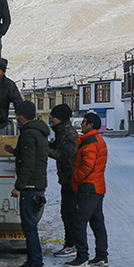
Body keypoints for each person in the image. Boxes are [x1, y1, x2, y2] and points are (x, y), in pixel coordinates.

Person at [4, 100, 49, 267]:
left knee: (29, 228)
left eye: (19, 115)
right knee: (29, 227)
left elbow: (28, 163)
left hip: (30, 188)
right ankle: (32, 262)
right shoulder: (37, 132)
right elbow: (31, 154)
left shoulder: (29, 134)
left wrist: (19, 187)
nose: (16, 118)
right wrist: (15, 151)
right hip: (35, 186)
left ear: (26, 116)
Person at [65, 112, 108, 267]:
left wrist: (76, 178)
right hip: (98, 186)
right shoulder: (98, 140)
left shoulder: (90, 143)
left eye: (84, 122)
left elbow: (88, 166)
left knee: (79, 221)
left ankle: (82, 257)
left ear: (90, 125)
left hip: (88, 187)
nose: (81, 125)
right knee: (97, 222)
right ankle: (101, 256)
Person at [47, 103, 79, 258]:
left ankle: (72, 245)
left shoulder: (68, 133)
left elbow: (65, 155)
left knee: (69, 213)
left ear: (59, 118)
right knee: (66, 212)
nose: (51, 119)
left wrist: (47, 150)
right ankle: (71, 244)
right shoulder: (61, 132)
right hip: (66, 179)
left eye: (53, 117)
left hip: (71, 180)